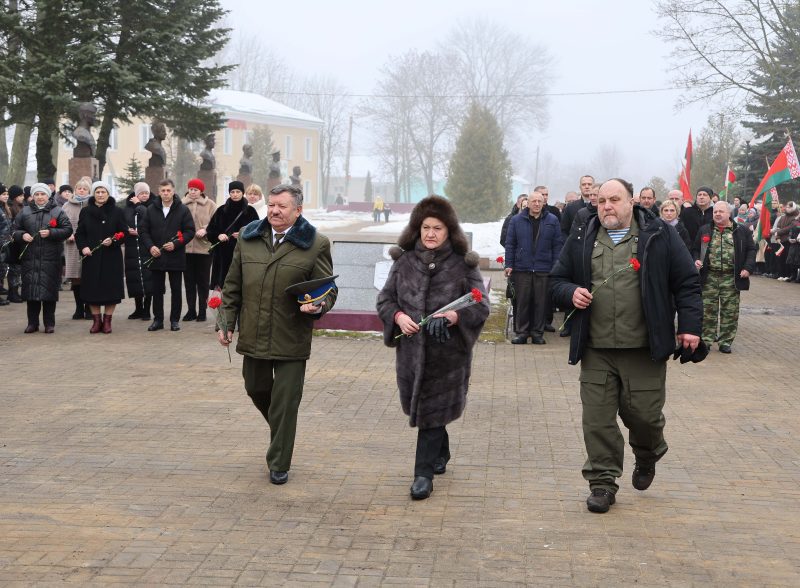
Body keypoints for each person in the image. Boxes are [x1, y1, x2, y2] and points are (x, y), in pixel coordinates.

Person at [550, 178, 702, 514]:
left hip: (643, 348)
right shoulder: (582, 236)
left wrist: (690, 327)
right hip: (597, 348)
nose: (607, 206)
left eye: (614, 199)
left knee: (644, 418)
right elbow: (557, 280)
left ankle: (648, 453)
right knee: (597, 421)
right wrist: (569, 292)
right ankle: (602, 483)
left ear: (632, 201)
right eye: (601, 200)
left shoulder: (659, 235)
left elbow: (687, 282)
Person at [218, 183, 336, 486]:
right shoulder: (248, 238)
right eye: (271, 205)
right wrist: (226, 321)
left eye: (282, 206)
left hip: (291, 335)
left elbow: (327, 287)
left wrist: (319, 304)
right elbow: (232, 285)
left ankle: (279, 461)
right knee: (255, 388)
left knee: (285, 401)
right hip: (254, 333)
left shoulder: (315, 244)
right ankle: (283, 430)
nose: (274, 211)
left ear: (298, 210)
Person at [377, 196, 490, 500]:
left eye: (437, 228)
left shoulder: (461, 265)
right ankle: (441, 449)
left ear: (448, 230)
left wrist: (455, 316)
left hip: (448, 356)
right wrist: (399, 317)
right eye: (425, 227)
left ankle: (422, 475)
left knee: (431, 413)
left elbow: (481, 304)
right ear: (417, 229)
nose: (430, 234)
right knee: (432, 415)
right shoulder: (404, 262)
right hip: (411, 354)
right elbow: (385, 300)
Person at [692, 201, 756, 353]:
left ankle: (725, 341)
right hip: (709, 277)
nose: (718, 214)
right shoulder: (705, 230)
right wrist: (696, 259)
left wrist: (748, 268)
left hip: (731, 277)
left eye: (721, 211)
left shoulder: (741, 230)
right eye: (715, 212)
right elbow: (695, 249)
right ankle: (706, 340)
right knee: (707, 310)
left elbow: (751, 250)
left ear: (729, 213)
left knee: (730, 311)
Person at [11, 182, 73, 333]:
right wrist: (22, 235)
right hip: (30, 258)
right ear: (32, 196)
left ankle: (49, 323)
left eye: (43, 194)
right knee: (31, 293)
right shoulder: (24, 212)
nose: (40, 197)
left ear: (48, 195)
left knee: (49, 293)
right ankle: (32, 323)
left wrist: (52, 233)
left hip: (50, 259)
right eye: (37, 194)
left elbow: (67, 229)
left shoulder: (57, 211)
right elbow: (14, 230)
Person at [504, 191, 562, 344]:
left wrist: (556, 266)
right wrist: (509, 264)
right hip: (522, 268)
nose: (537, 204)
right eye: (534, 201)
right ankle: (522, 333)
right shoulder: (516, 220)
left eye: (539, 201)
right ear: (527, 203)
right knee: (522, 302)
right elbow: (510, 244)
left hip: (544, 269)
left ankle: (537, 333)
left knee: (540, 303)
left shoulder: (552, 220)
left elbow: (557, 245)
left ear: (544, 203)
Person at [140, 179, 196, 332]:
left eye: (168, 190)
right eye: (163, 190)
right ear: (159, 192)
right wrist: (150, 246)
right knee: (156, 289)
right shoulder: (151, 209)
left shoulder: (182, 210)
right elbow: (143, 231)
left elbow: (190, 231)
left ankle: (174, 320)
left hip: (175, 257)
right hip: (156, 256)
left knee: (176, 289)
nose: (165, 193)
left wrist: (176, 243)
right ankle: (158, 320)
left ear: (173, 191)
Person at [75, 181, 128, 334]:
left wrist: (113, 240)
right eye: (97, 192)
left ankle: (107, 321)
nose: (100, 195)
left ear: (108, 193)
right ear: (93, 194)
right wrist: (83, 247)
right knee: (92, 290)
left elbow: (124, 233)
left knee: (111, 290)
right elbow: (80, 233)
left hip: (111, 257)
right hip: (92, 256)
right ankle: (96, 320)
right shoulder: (85, 212)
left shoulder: (117, 211)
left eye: (103, 192)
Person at [207, 181, 258, 292]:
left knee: (241, 289)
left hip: (243, 255)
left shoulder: (250, 211)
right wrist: (218, 235)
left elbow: (258, 232)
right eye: (232, 192)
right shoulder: (221, 210)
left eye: (238, 191)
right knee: (223, 289)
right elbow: (210, 231)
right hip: (222, 256)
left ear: (242, 193)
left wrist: (243, 234)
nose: (235, 194)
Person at [182, 178, 217, 321]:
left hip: (204, 249)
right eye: (191, 189)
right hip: (186, 249)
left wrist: (206, 229)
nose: (193, 192)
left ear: (201, 191)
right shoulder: (182, 204)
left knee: (202, 282)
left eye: (195, 190)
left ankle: (202, 311)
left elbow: (216, 222)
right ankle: (191, 310)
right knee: (189, 281)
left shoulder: (210, 205)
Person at [123, 182, 154, 320]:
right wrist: (127, 230)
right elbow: (122, 222)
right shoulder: (127, 208)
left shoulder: (153, 206)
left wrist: (138, 205)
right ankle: (138, 309)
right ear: (136, 194)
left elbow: (150, 219)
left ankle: (147, 310)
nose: (144, 195)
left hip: (147, 246)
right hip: (131, 247)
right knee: (134, 278)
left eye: (146, 193)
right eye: (141, 193)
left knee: (149, 278)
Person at [62, 178, 92, 319]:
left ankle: (89, 308)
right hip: (72, 246)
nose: (81, 190)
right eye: (79, 188)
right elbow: (61, 225)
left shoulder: (92, 205)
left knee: (88, 276)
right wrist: (67, 235)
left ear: (89, 191)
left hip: (88, 246)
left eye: (84, 189)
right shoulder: (66, 206)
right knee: (76, 277)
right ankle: (79, 308)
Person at [5, 185, 25, 303]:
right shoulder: (12, 208)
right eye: (20, 195)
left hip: (19, 242)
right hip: (13, 242)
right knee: (14, 268)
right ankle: (12, 292)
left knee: (17, 268)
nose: (22, 197)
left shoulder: (21, 207)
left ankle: (15, 291)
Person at [561, 175, 595, 241]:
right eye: (584, 184)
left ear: (594, 186)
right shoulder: (570, 207)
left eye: (589, 184)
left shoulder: (600, 206)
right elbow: (564, 231)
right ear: (580, 187)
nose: (587, 186)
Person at [772, 201, 799, 280]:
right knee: (781, 259)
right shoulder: (783, 217)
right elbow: (778, 226)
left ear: (793, 208)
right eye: (786, 206)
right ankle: (782, 274)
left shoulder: (795, 217)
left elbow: (790, 227)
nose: (787, 208)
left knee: (788, 259)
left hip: (788, 241)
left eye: (789, 207)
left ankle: (788, 275)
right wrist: (778, 237)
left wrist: (779, 232)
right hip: (781, 241)